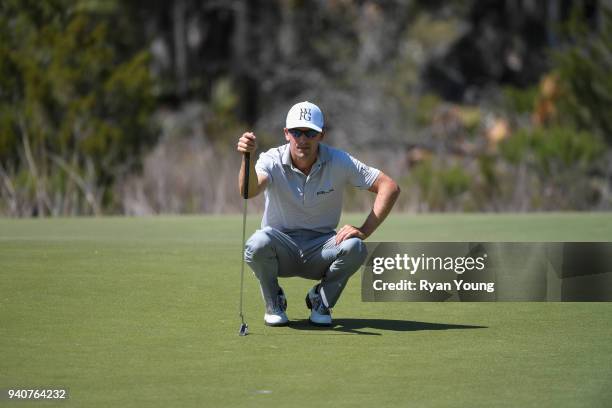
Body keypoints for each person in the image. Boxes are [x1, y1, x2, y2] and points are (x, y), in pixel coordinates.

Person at [236, 101, 400, 327]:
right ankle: (274, 301)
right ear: (286, 134)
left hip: (321, 250)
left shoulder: (339, 161)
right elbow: (249, 191)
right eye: (296, 132)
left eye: (310, 132)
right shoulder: (270, 159)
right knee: (256, 244)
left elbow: (389, 186)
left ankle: (320, 300)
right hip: (280, 248)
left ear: (321, 135)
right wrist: (248, 157)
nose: (302, 139)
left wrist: (364, 230)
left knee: (355, 247)